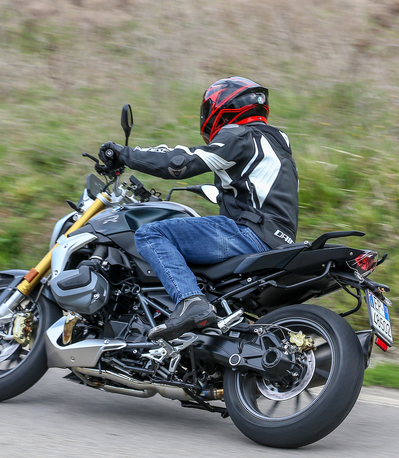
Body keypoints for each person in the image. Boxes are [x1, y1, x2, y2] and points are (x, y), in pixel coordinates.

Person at [99, 76, 299, 341]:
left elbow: (180, 162)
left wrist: (124, 154)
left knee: (151, 234)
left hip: (250, 233)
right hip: (278, 238)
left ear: (220, 108)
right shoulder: (275, 141)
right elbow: (249, 190)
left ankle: (190, 302)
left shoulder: (239, 135)